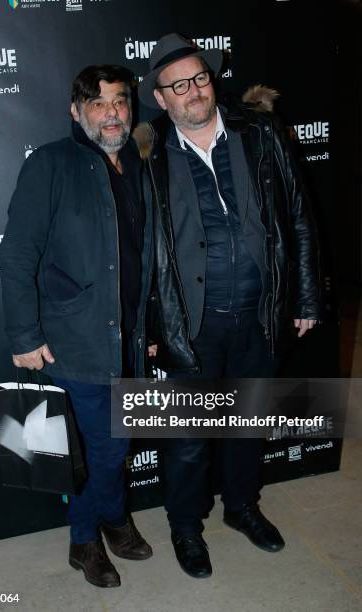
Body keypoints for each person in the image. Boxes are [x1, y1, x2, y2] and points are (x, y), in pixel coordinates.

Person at [136, 33, 322, 578]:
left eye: (200, 78)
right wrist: (149, 325)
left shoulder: (259, 135)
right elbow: (138, 253)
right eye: (179, 85)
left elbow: (300, 218)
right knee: (189, 439)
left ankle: (242, 507)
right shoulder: (148, 157)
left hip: (259, 316)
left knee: (248, 423)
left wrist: (307, 296)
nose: (194, 91)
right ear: (161, 98)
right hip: (191, 325)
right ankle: (186, 527)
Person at [0, 65, 154, 588]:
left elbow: (142, 255)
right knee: (96, 451)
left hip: (127, 337)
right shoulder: (52, 163)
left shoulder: (135, 162)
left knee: (116, 444)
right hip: (75, 340)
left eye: (120, 102)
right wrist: (25, 335)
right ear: (76, 110)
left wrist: (149, 325)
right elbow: (19, 253)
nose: (112, 112)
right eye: (98, 102)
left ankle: (110, 518)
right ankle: (87, 535)